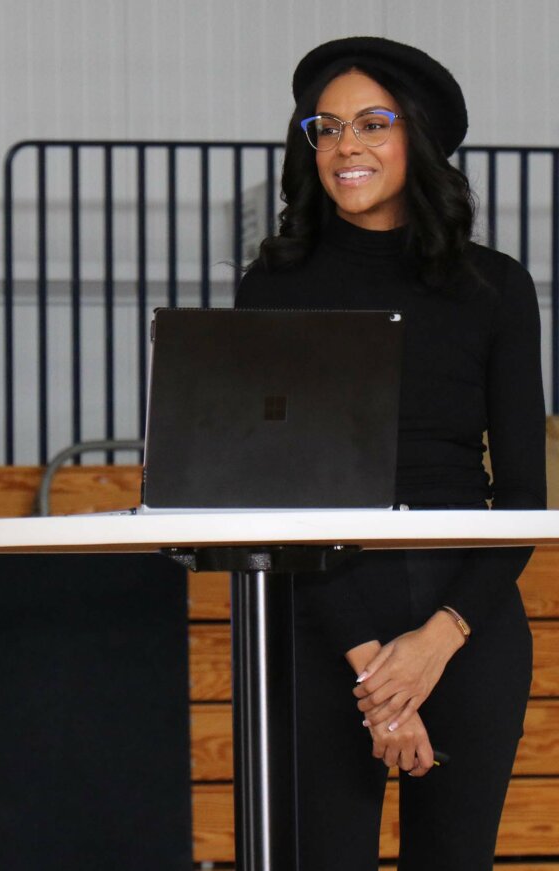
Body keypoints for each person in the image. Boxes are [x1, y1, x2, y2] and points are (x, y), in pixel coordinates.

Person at [236, 37, 545, 870]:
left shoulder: (497, 287)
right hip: (318, 618)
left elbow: (522, 496)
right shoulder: (274, 286)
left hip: (466, 620)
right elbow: (272, 493)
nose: (347, 146)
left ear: (421, 138)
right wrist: (374, 667)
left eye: (373, 122)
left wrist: (436, 642)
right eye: (326, 127)